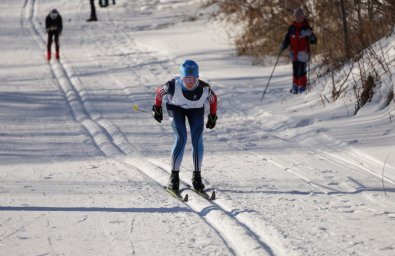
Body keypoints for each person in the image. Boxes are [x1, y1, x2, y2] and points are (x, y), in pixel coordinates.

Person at [152, 60, 218, 193]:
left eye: (194, 78)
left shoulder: (204, 89)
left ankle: (197, 176)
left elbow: (213, 100)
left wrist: (212, 116)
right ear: (181, 78)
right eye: (188, 78)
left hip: (196, 110)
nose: (191, 82)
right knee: (181, 137)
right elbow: (159, 92)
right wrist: (157, 108)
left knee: (197, 138)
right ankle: (174, 177)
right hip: (176, 109)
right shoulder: (171, 86)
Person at [280, 7, 317, 94]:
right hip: (294, 53)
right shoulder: (292, 27)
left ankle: (302, 86)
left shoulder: (306, 27)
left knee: (302, 70)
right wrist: (283, 45)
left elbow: (314, 41)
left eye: (300, 16)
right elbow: (287, 39)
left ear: (303, 16)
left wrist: (310, 35)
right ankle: (295, 87)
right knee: (295, 70)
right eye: (296, 16)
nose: (298, 18)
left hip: (303, 53)